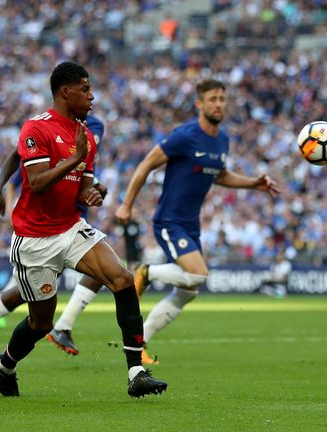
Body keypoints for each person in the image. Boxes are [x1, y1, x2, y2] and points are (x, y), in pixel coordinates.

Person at [0, 61, 165, 398]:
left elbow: (84, 186)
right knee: (42, 324)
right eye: (85, 89)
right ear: (65, 92)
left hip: (69, 228)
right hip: (34, 239)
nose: (92, 96)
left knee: (122, 280)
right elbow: (36, 183)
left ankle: (136, 372)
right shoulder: (36, 129)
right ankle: (5, 364)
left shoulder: (85, 136)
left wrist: (95, 192)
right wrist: (73, 159)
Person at [114, 78, 280, 360]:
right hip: (169, 220)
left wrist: (253, 183)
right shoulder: (184, 136)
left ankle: (140, 344)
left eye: (222, 99)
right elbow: (146, 165)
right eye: (213, 99)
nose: (218, 104)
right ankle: (146, 272)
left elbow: (220, 175)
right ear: (199, 104)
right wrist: (126, 205)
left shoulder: (222, 140)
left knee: (189, 290)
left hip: (191, 225)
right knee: (198, 275)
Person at [0, 115, 126, 362]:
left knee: (106, 272)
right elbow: (17, 156)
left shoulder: (94, 126)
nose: (89, 97)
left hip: (71, 219)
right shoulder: (44, 126)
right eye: (84, 90)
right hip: (40, 226)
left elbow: (83, 166)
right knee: (27, 294)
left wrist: (94, 185)